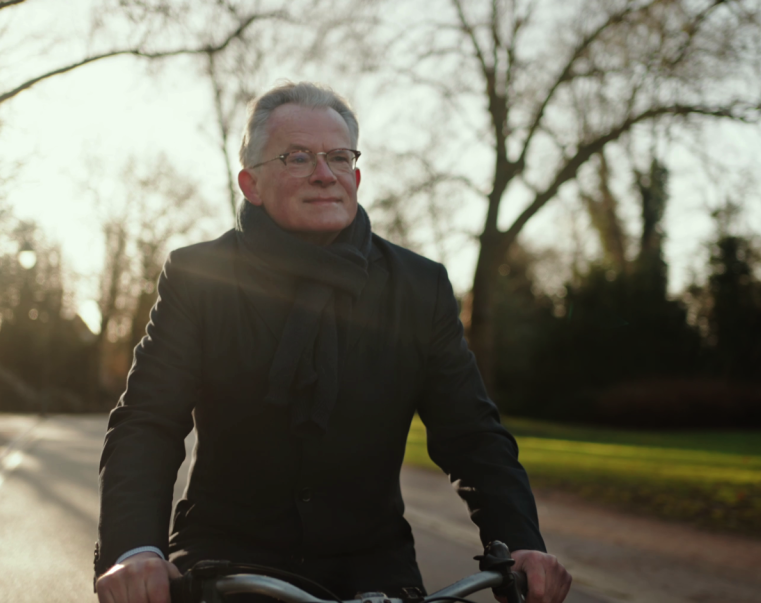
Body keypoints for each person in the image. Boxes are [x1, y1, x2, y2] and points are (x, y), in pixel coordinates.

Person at [94, 82, 572, 603]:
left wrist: (521, 543)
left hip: (374, 573)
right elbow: (148, 421)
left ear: (356, 177)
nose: (325, 174)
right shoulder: (199, 275)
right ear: (251, 184)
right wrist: (135, 551)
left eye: (340, 157)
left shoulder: (420, 287)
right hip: (223, 566)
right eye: (298, 157)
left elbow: (473, 435)